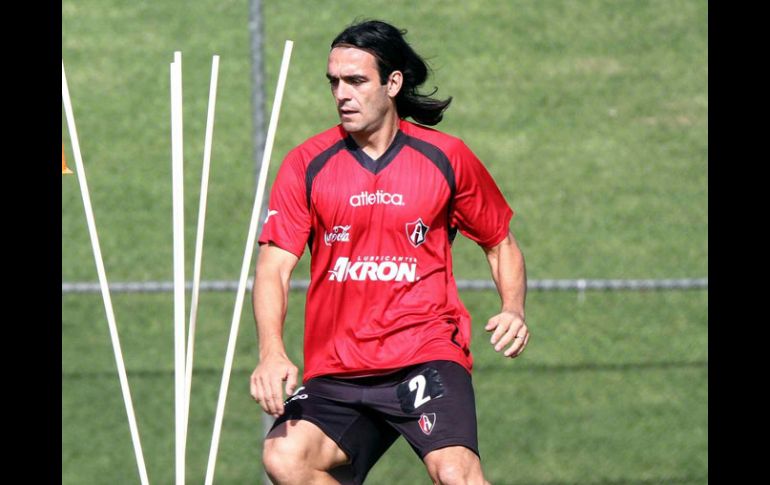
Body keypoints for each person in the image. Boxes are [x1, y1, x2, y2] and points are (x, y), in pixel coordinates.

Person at [250, 19, 529, 485]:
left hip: (424, 354)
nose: (342, 94)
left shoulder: (446, 157)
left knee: (455, 473)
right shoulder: (307, 162)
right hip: (338, 366)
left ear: (393, 83)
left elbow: (500, 243)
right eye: (334, 82)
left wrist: (513, 308)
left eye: (356, 81)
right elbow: (273, 268)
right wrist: (271, 352)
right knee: (284, 457)